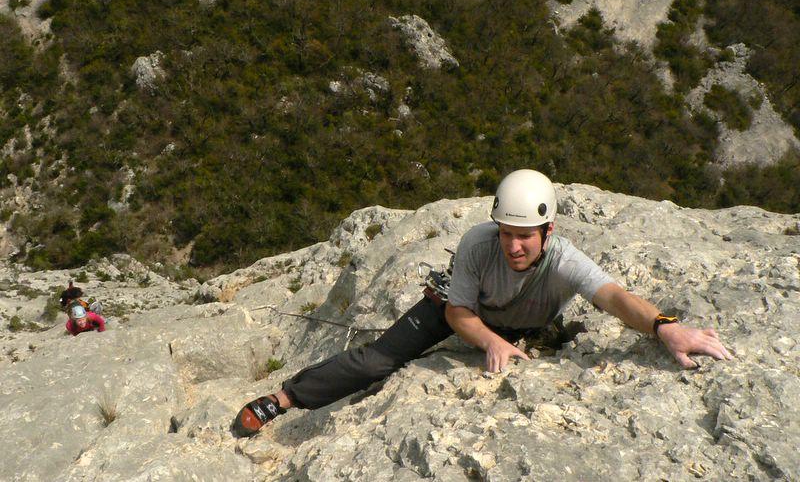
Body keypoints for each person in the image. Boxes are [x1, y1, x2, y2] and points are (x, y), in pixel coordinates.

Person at [232, 169, 733, 437]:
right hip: (458, 309)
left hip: (518, 325)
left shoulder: (564, 259)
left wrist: (665, 327)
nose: (513, 245)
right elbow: (456, 314)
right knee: (378, 359)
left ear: (548, 231)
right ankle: (284, 398)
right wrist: (491, 341)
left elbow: (616, 298)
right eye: (506, 233)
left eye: (525, 236)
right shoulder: (477, 243)